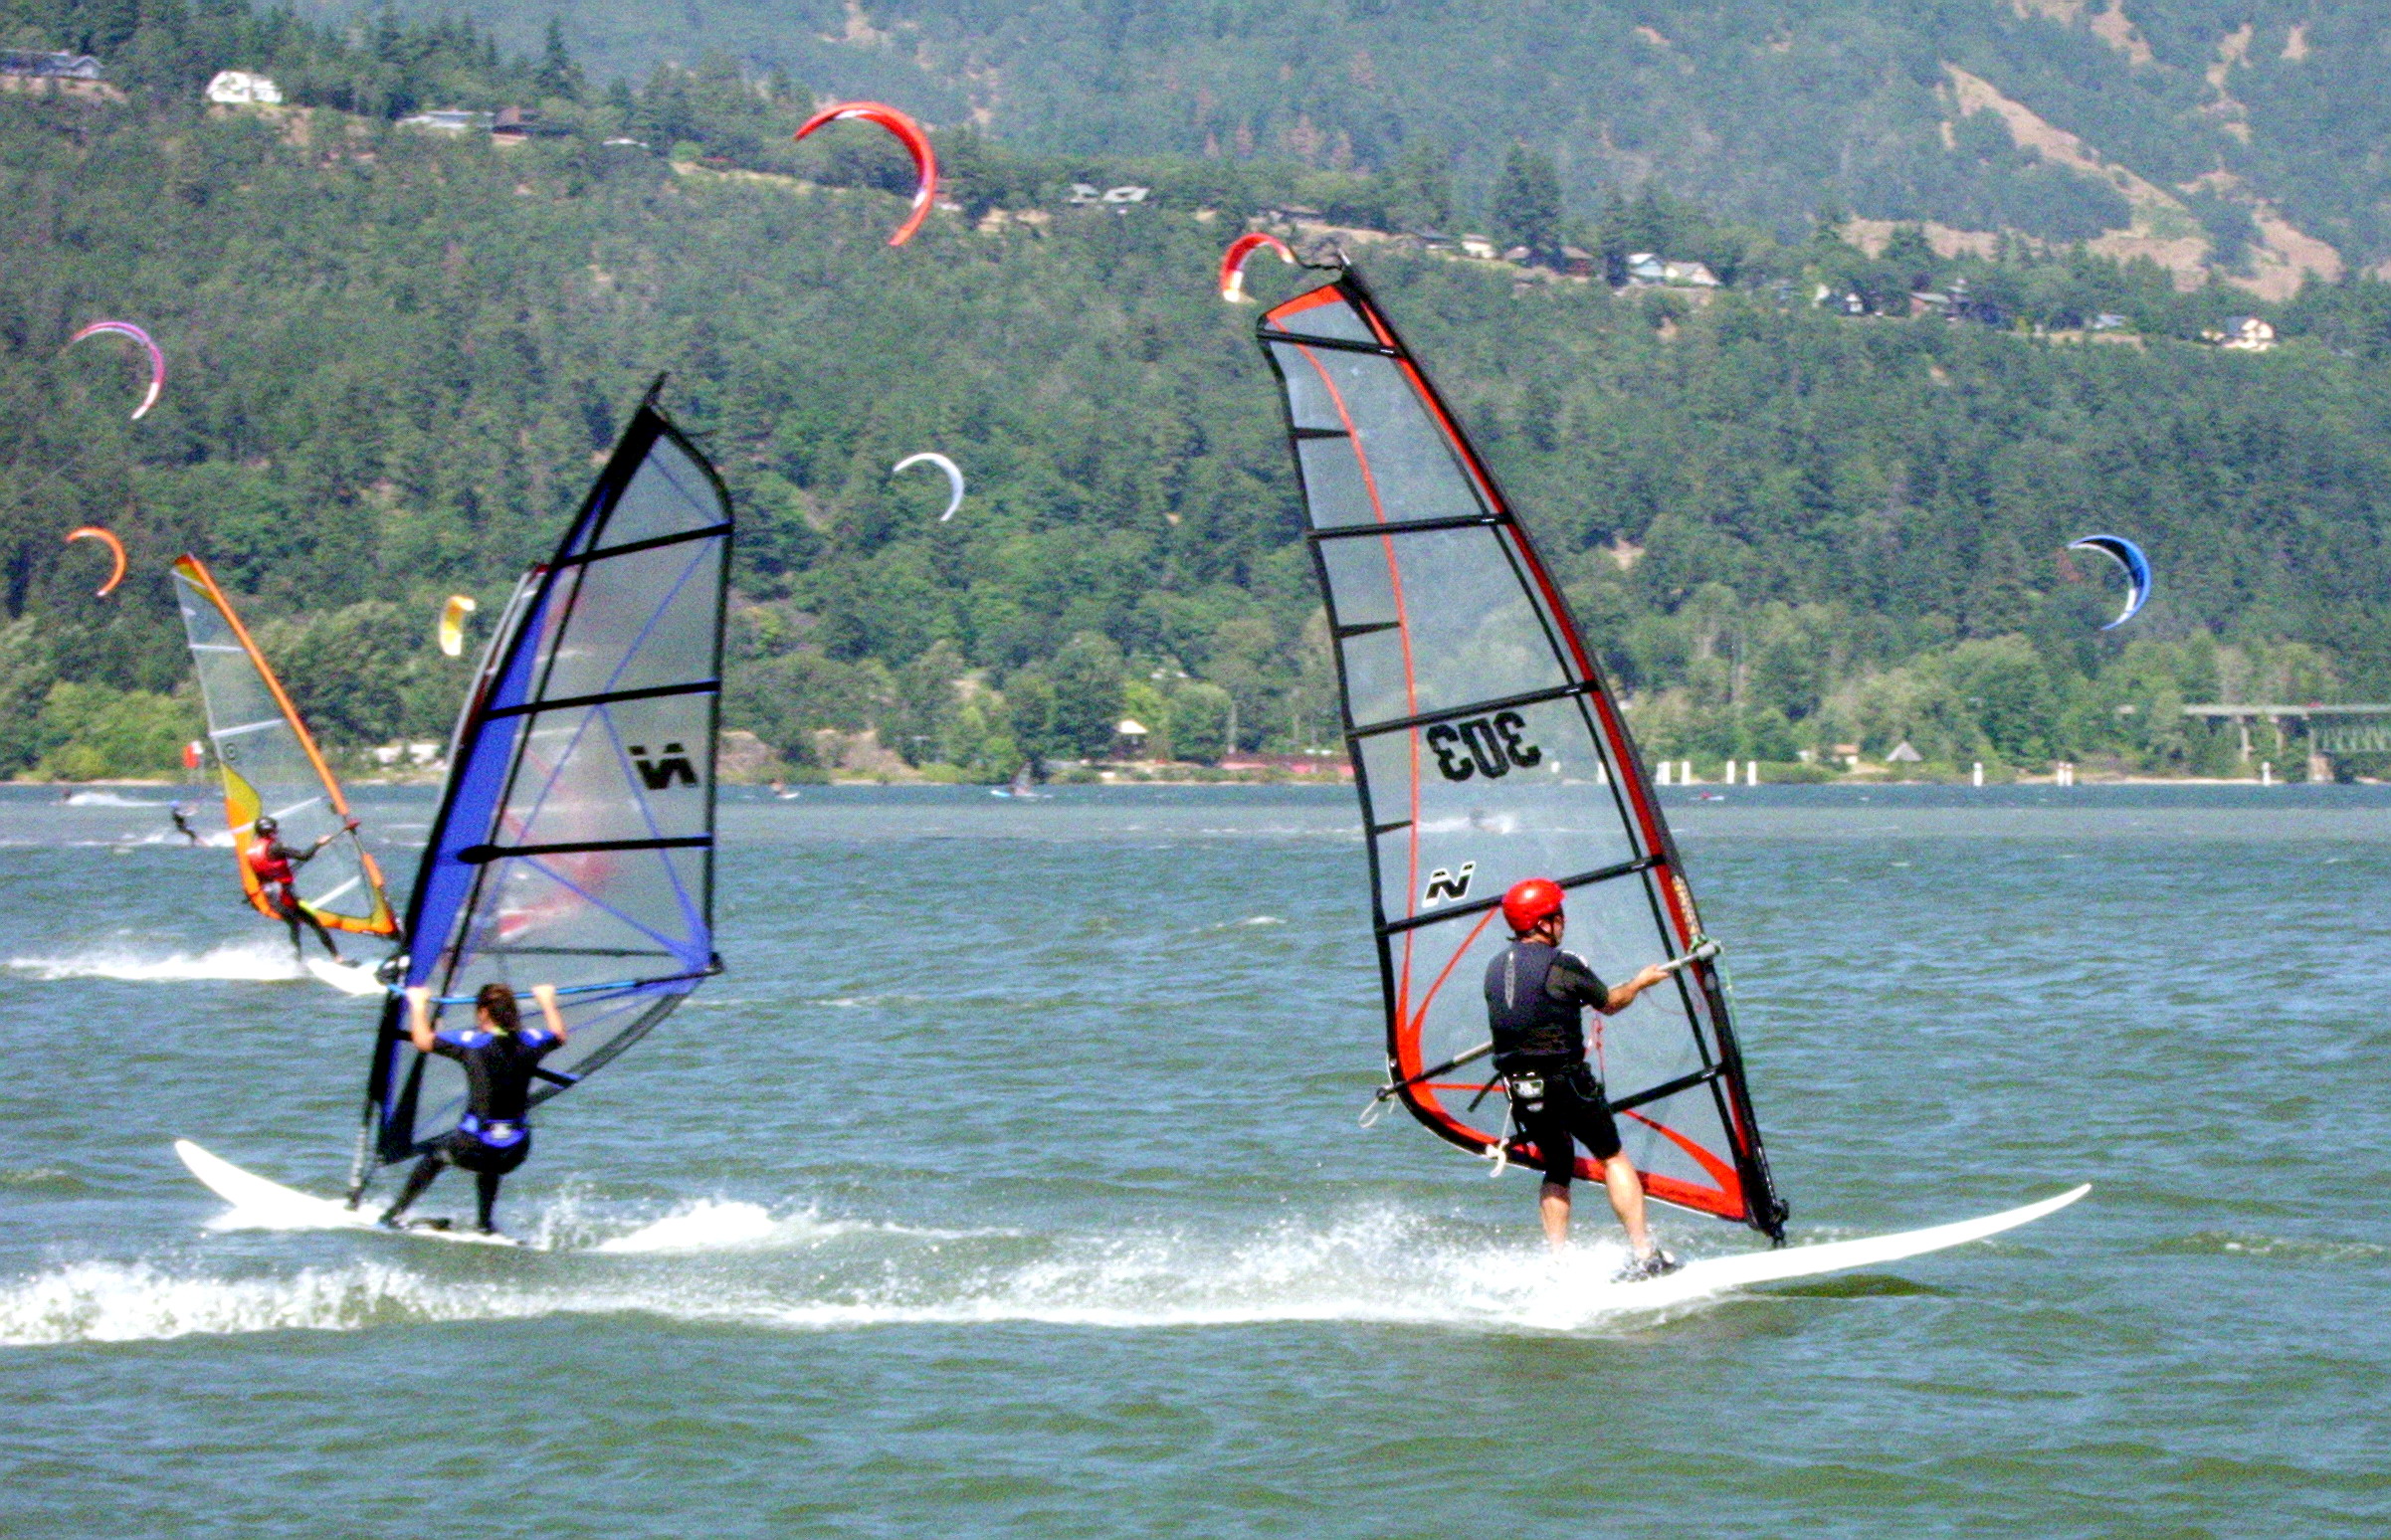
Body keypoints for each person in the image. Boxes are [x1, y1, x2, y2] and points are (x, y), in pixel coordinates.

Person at [1484, 876, 1681, 1279]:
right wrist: (1641, 982)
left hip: (1520, 1085)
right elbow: (1609, 1003)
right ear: (1543, 922)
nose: (1563, 922)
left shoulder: (1493, 967)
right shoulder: (1561, 964)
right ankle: (1645, 1256)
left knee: (1557, 1165)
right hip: (1564, 1081)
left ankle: (1557, 1263)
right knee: (1612, 1157)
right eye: (1558, 916)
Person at [379, 982, 568, 1236]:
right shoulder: (532, 1041)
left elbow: (423, 1041)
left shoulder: (472, 1044)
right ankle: (484, 1224)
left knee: (436, 1156)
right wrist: (547, 1000)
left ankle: (393, 1215)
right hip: (515, 1151)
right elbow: (559, 1035)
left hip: (473, 1148)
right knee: (495, 1155)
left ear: (483, 1013)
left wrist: (418, 1004)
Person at [245, 813, 352, 965]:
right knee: (314, 923)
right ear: (269, 832)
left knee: (294, 924)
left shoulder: (252, 849)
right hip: (283, 896)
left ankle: (296, 960)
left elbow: (262, 874)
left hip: (271, 897)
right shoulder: (275, 847)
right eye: (275, 830)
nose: (277, 833)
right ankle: (337, 959)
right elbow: (304, 856)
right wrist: (319, 843)